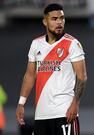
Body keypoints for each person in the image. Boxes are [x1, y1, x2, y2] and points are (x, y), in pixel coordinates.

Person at [16, 3, 87, 135]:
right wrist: (21, 102)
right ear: (45, 21)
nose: (59, 22)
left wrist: (75, 103)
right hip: (41, 115)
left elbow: (82, 77)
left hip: (64, 112)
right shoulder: (36, 44)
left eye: (62, 18)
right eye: (54, 19)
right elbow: (30, 75)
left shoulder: (72, 44)